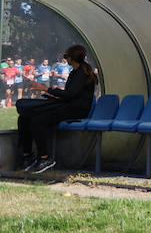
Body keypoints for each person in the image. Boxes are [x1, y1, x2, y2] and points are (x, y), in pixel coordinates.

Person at [16, 44, 99, 172]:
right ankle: (27, 155)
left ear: (72, 58)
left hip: (76, 110)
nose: (65, 59)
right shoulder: (75, 72)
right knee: (24, 117)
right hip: (67, 105)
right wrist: (54, 95)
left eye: (66, 56)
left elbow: (70, 94)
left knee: (39, 120)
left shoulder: (81, 73)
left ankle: (45, 157)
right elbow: (69, 95)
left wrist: (46, 89)